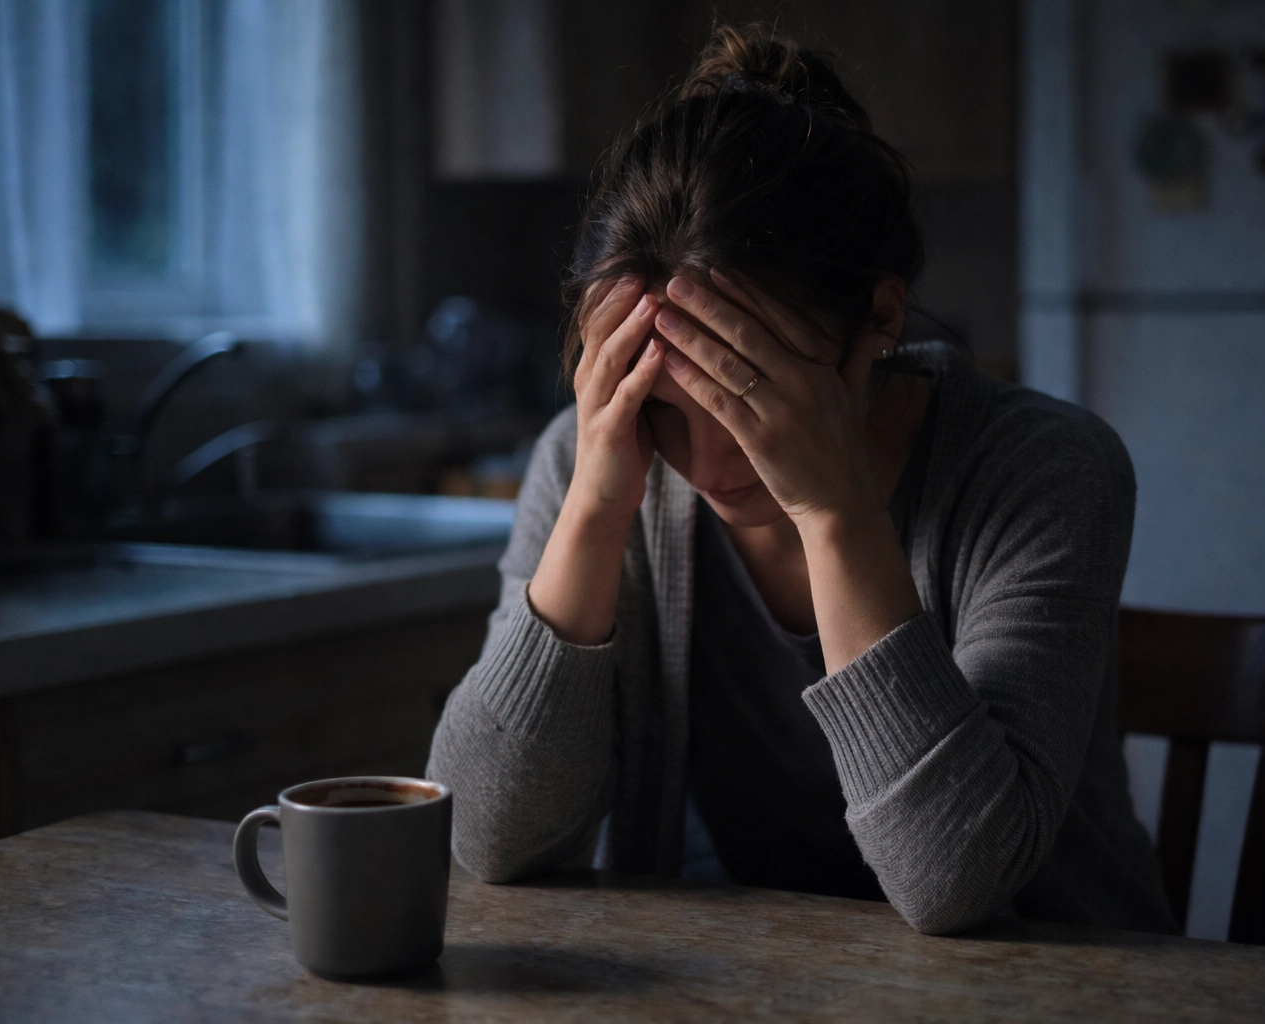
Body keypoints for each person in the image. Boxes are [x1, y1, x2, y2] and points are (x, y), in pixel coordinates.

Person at [428, 24, 1175, 936]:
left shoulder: (1045, 471)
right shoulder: (593, 459)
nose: (704, 467)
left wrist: (833, 512)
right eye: (666, 412)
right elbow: (487, 836)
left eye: (752, 398)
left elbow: (958, 881)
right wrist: (592, 507)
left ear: (881, 320)